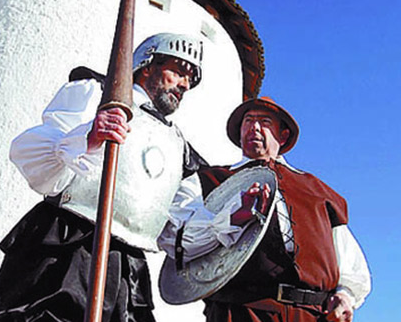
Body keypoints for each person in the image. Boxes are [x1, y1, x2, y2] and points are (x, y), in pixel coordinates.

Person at [0, 33, 213, 322]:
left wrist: (232, 221)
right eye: (178, 71)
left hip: (128, 268)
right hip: (67, 247)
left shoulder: (179, 148)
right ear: (148, 64)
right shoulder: (97, 94)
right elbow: (27, 150)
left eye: (190, 79)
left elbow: (183, 225)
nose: (184, 84)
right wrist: (89, 137)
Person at [159, 97, 371, 322]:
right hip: (240, 313)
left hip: (313, 316)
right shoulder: (207, 181)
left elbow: (350, 261)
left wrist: (345, 295)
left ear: (283, 135)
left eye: (264, 121)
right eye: (248, 121)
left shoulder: (320, 192)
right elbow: (173, 239)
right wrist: (230, 220)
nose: (254, 127)